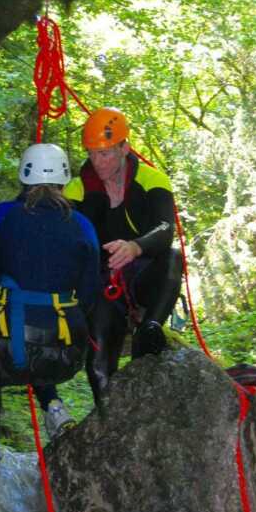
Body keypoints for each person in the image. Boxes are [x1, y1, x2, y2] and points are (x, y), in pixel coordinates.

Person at [0, 143, 100, 479]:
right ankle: (53, 405)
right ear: (65, 179)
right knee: (39, 340)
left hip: (7, 347)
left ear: (23, 175)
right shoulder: (82, 224)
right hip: (66, 353)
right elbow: (89, 293)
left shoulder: (1, 215)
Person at [63, 107, 183, 405]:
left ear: (124, 148)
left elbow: (165, 228)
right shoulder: (77, 189)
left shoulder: (152, 179)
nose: (97, 162)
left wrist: (135, 247)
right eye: (92, 154)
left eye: (105, 154)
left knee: (173, 257)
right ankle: (109, 424)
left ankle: (151, 327)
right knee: (98, 366)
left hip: (144, 272)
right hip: (105, 282)